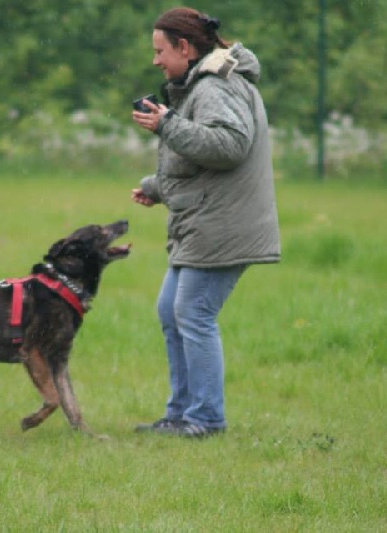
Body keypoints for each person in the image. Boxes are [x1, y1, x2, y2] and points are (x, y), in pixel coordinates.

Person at [131, 7, 280, 438]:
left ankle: (205, 419)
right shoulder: (200, 86)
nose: (156, 60)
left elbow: (230, 146)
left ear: (185, 47)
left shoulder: (216, 85)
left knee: (193, 312)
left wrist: (167, 123)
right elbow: (198, 161)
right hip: (205, 220)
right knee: (171, 309)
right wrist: (156, 185)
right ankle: (181, 414)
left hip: (223, 225)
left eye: (161, 51)